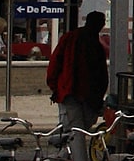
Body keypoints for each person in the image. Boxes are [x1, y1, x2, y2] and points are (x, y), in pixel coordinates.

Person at [47, 10, 110, 138]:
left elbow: (55, 63)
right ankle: (70, 156)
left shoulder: (71, 38)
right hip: (80, 93)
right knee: (77, 131)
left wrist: (56, 87)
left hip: (71, 91)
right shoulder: (95, 44)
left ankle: (66, 156)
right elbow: (101, 74)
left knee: (74, 131)